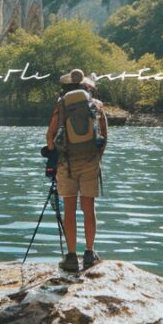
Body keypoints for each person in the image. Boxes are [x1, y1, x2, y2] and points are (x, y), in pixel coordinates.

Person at [45, 68, 107, 272]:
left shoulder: (61, 104)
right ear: (86, 86)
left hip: (67, 163)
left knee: (69, 209)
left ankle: (71, 257)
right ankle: (89, 254)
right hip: (90, 161)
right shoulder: (96, 105)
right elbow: (104, 137)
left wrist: (55, 155)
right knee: (89, 208)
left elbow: (50, 135)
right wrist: (96, 157)